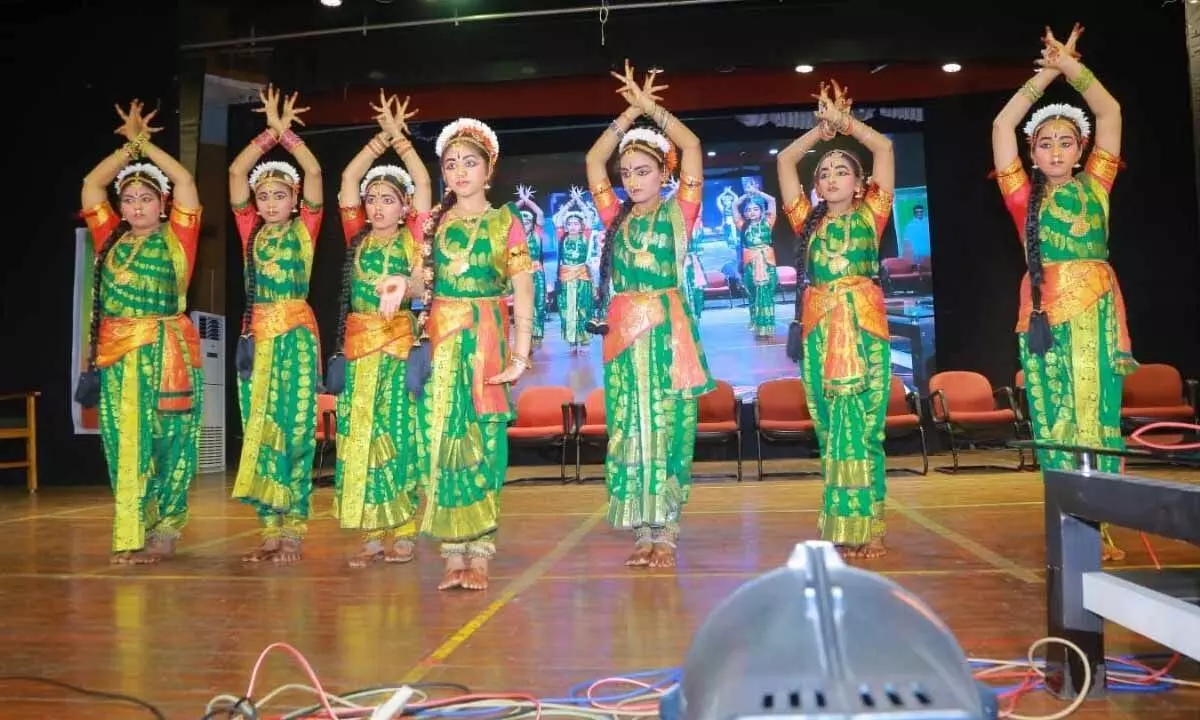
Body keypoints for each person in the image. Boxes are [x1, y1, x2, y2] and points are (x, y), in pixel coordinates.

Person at [991, 24, 1133, 561]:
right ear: (1032, 153)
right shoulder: (1021, 195)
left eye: (1065, 141)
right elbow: (1002, 123)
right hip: (1045, 316)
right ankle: (1069, 523)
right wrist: (1044, 77)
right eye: (1044, 142)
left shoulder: (1098, 183)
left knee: (1098, 412)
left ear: (1081, 151)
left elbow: (1111, 113)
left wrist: (1073, 72)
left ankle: (1105, 526)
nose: (1055, 149)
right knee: (1054, 418)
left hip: (1095, 310)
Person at [585, 61, 715, 568]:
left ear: (666, 173)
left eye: (644, 171)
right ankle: (643, 529)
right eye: (628, 174)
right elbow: (593, 160)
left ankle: (667, 529)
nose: (633, 180)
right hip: (623, 335)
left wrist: (652, 111)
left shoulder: (678, 213)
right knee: (629, 427)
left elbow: (696, 148)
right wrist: (626, 116)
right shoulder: (613, 216)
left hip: (667, 333)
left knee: (668, 425)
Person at [77, 99, 203, 565]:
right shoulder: (108, 235)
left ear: (162, 203)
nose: (135, 206)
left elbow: (187, 181)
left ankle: (166, 529)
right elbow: (93, 184)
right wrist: (127, 149)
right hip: (118, 357)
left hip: (167, 354)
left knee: (171, 442)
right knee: (123, 443)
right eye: (128, 199)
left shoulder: (179, 238)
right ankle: (131, 529)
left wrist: (146, 146)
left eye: (145, 198)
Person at [776, 79, 895, 559]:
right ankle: (842, 521)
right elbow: (785, 161)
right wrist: (818, 133)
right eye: (823, 172)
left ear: (860, 183)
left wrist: (845, 126)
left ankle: (873, 524)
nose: (829, 178)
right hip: (820, 331)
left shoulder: (874, 215)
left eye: (840, 171)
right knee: (830, 429)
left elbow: (882, 145)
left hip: (863, 328)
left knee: (864, 427)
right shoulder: (807, 222)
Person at [417, 117, 535, 591]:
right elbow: (420, 283)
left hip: (487, 338)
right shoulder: (432, 223)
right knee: (443, 442)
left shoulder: (506, 221)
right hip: (443, 343)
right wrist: (398, 285)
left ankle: (481, 551)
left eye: (470, 163)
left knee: (486, 444)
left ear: (490, 170)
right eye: (451, 164)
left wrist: (521, 355)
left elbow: (523, 291)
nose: (460, 172)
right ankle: (451, 553)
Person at [324, 93, 432, 567]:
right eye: (373, 200)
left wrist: (401, 142)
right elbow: (347, 178)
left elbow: (425, 181)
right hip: (360, 352)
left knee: (399, 438)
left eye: (389, 200)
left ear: (405, 205)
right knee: (359, 439)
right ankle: (370, 533)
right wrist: (378, 140)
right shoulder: (357, 240)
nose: (378, 206)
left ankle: (404, 531)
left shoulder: (416, 238)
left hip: (399, 349)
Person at [228, 85, 324, 564]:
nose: (267, 202)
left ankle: (295, 527)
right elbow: (234, 171)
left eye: (278, 195)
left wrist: (287, 135)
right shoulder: (250, 231)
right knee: (261, 430)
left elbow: (313, 170)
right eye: (262, 196)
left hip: (297, 338)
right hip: (257, 338)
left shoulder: (306, 228)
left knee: (298, 429)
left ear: (294, 200)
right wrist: (267, 136)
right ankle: (269, 525)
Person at [554, 188, 596, 352]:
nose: (572, 226)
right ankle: (571, 340)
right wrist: (570, 202)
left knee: (583, 307)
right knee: (567, 308)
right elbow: (558, 219)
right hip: (566, 276)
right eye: (569, 224)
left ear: (581, 226)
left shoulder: (585, 235)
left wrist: (578, 200)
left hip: (582, 275)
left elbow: (590, 216)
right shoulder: (561, 237)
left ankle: (584, 339)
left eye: (576, 223)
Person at [735, 182, 779, 337]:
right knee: (753, 295)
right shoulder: (743, 226)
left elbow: (772, 200)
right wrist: (747, 195)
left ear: (761, 211)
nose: (752, 212)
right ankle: (757, 325)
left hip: (767, 263)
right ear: (745, 214)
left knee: (766, 294)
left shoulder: (768, 223)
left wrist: (757, 192)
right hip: (751, 264)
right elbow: (735, 205)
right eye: (748, 210)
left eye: (755, 209)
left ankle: (768, 326)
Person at [513, 185, 548, 347]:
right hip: (521, 275)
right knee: (523, 307)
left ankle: (537, 335)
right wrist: (521, 202)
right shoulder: (514, 237)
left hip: (537, 273)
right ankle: (525, 338)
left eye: (528, 221)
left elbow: (540, 213)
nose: (525, 223)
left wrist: (527, 201)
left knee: (539, 304)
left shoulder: (537, 234)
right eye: (522, 221)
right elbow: (509, 214)